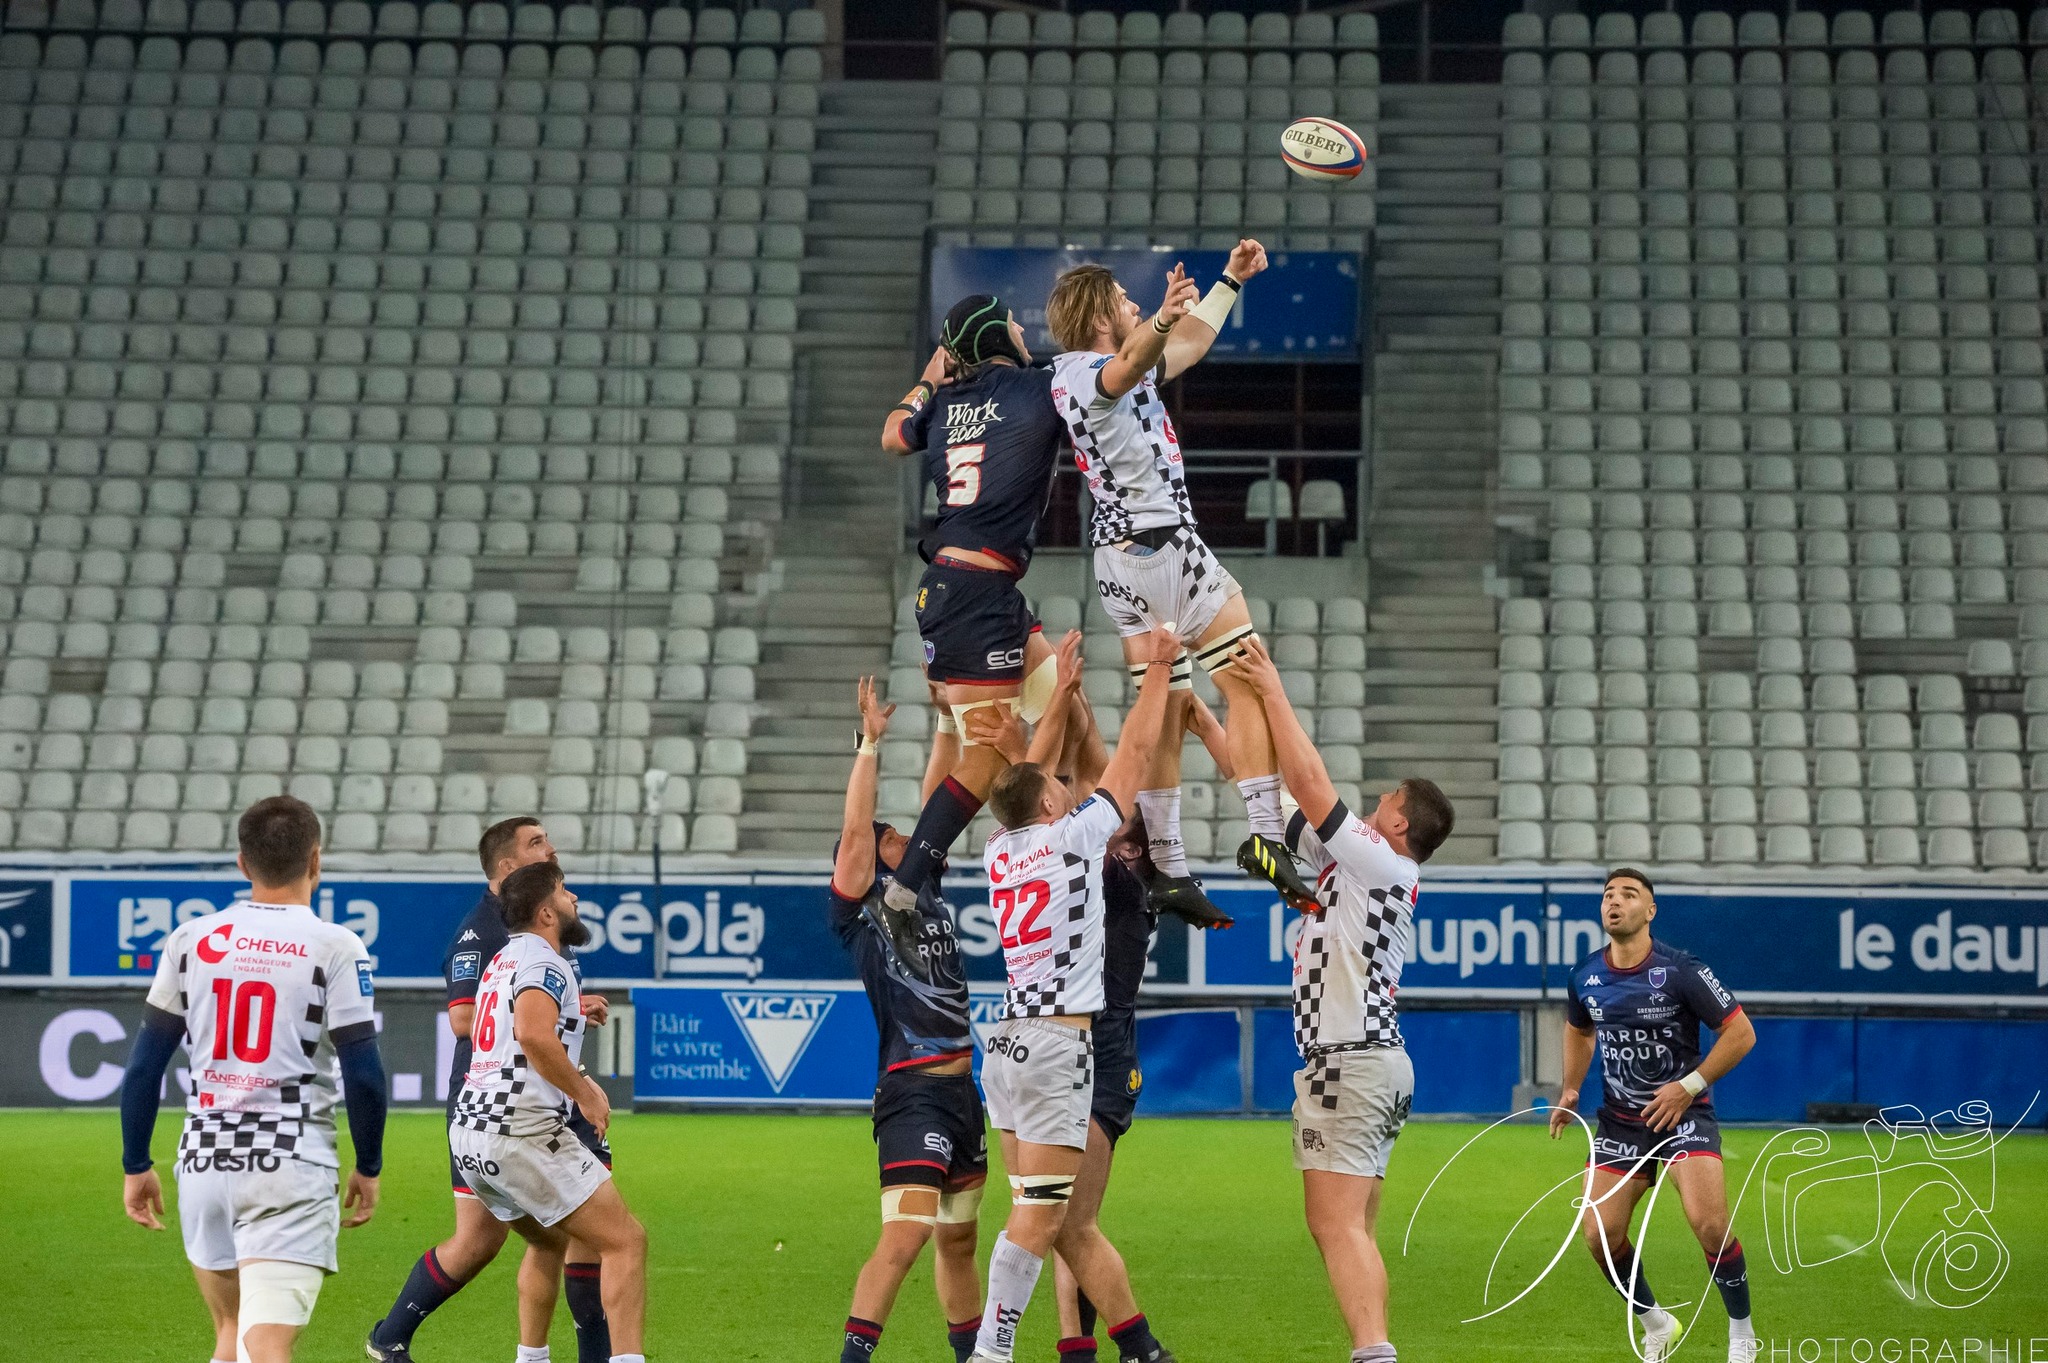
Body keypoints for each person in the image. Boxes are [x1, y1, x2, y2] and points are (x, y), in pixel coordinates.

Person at [876, 285, 1199, 935]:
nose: (1025, 327)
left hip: (975, 593)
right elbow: (1122, 370)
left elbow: (892, 435)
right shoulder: (1040, 386)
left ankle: (1120, 863)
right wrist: (1165, 322)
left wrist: (924, 378)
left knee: (1074, 714)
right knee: (990, 759)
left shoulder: (940, 402)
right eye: (1012, 322)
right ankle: (909, 884)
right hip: (973, 596)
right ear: (997, 336)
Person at [1043, 243, 1314, 922]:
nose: (1135, 304)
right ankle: (1265, 832)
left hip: (1118, 563)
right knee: (1248, 673)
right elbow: (1139, 355)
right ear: (1101, 313)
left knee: (1164, 700)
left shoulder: (1096, 370)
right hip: (1166, 548)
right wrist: (1158, 320)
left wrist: (1229, 282)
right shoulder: (1090, 374)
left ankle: (1169, 864)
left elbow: (1183, 347)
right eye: (1125, 300)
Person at [975, 686, 1237, 1363]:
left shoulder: (1095, 867)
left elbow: (1075, 781)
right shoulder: (1082, 852)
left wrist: (1057, 713)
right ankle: (1065, 1349)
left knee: (1060, 1216)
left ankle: (1122, 1348)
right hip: (1063, 1042)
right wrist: (1080, 696)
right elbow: (1097, 771)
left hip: (1050, 1042)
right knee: (1056, 1217)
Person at [1227, 637, 1455, 1363]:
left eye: (1386, 799)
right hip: (1374, 1060)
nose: (1376, 802)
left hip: (1349, 1062)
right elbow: (1272, 794)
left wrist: (1270, 688)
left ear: (1396, 823)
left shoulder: (1382, 860)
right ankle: (1374, 1347)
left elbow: (1308, 777)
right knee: (1352, 1225)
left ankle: (1373, 1352)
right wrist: (1209, 725)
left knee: (1334, 1225)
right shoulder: (1360, 870)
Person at [119, 795, 388, 1363]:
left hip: (204, 1162)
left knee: (232, 1336)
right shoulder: (335, 946)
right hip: (289, 1161)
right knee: (266, 1345)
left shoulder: (193, 940)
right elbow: (363, 1074)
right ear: (316, 860)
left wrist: (136, 1163)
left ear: (242, 864)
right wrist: (368, 1165)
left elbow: (144, 1066)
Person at [369, 817, 615, 1363]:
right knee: (511, 1240)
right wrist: (541, 1020)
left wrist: (570, 1006)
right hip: (504, 1102)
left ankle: (523, 1353)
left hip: (537, 1098)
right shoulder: (483, 930)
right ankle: (391, 1336)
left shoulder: (536, 924)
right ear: (506, 869)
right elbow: (462, 1017)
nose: (550, 848)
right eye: (536, 843)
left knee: (558, 1239)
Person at [829, 674, 995, 1363]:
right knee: (905, 1237)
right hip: (912, 1091)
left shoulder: (919, 890)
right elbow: (856, 832)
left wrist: (948, 725)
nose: (906, 839)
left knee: (959, 1239)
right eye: (889, 836)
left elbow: (938, 812)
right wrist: (869, 744)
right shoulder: (862, 910)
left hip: (962, 1093)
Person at [1549, 868, 1760, 1363]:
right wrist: (1571, 1089)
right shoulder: (1585, 975)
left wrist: (1688, 1088)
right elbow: (1580, 1030)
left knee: (1709, 1225)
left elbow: (1741, 1033)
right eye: (1608, 894)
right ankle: (1656, 1322)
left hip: (1683, 1115)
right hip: (1621, 1122)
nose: (1614, 901)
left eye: (1629, 894)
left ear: (1651, 911)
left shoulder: (1681, 970)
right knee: (1601, 1236)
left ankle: (1743, 1334)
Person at [450, 861, 650, 1363]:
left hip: (471, 1133)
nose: (574, 898)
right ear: (545, 912)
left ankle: (530, 1358)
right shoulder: (548, 962)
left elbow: (508, 1022)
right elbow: (533, 1034)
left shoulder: (502, 962)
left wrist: (573, 1010)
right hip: (521, 1132)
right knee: (626, 1242)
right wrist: (586, 1091)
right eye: (563, 891)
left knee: (547, 1242)